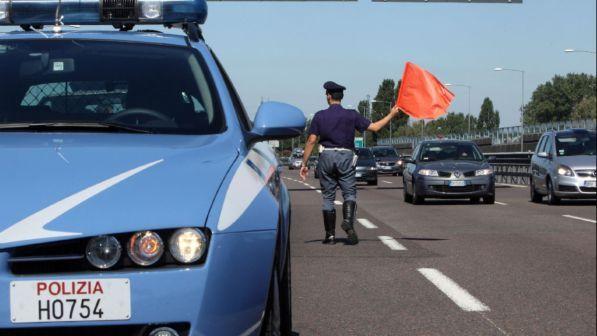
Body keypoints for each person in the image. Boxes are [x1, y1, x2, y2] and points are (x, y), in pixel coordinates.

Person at [299, 81, 401, 245]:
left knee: (328, 197)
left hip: (326, 156)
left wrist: (304, 164)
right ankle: (347, 220)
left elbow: (311, 141)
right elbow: (374, 127)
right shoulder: (351, 115)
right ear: (342, 97)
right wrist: (391, 115)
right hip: (346, 157)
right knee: (349, 193)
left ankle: (330, 236)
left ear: (328, 96)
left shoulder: (319, 116)